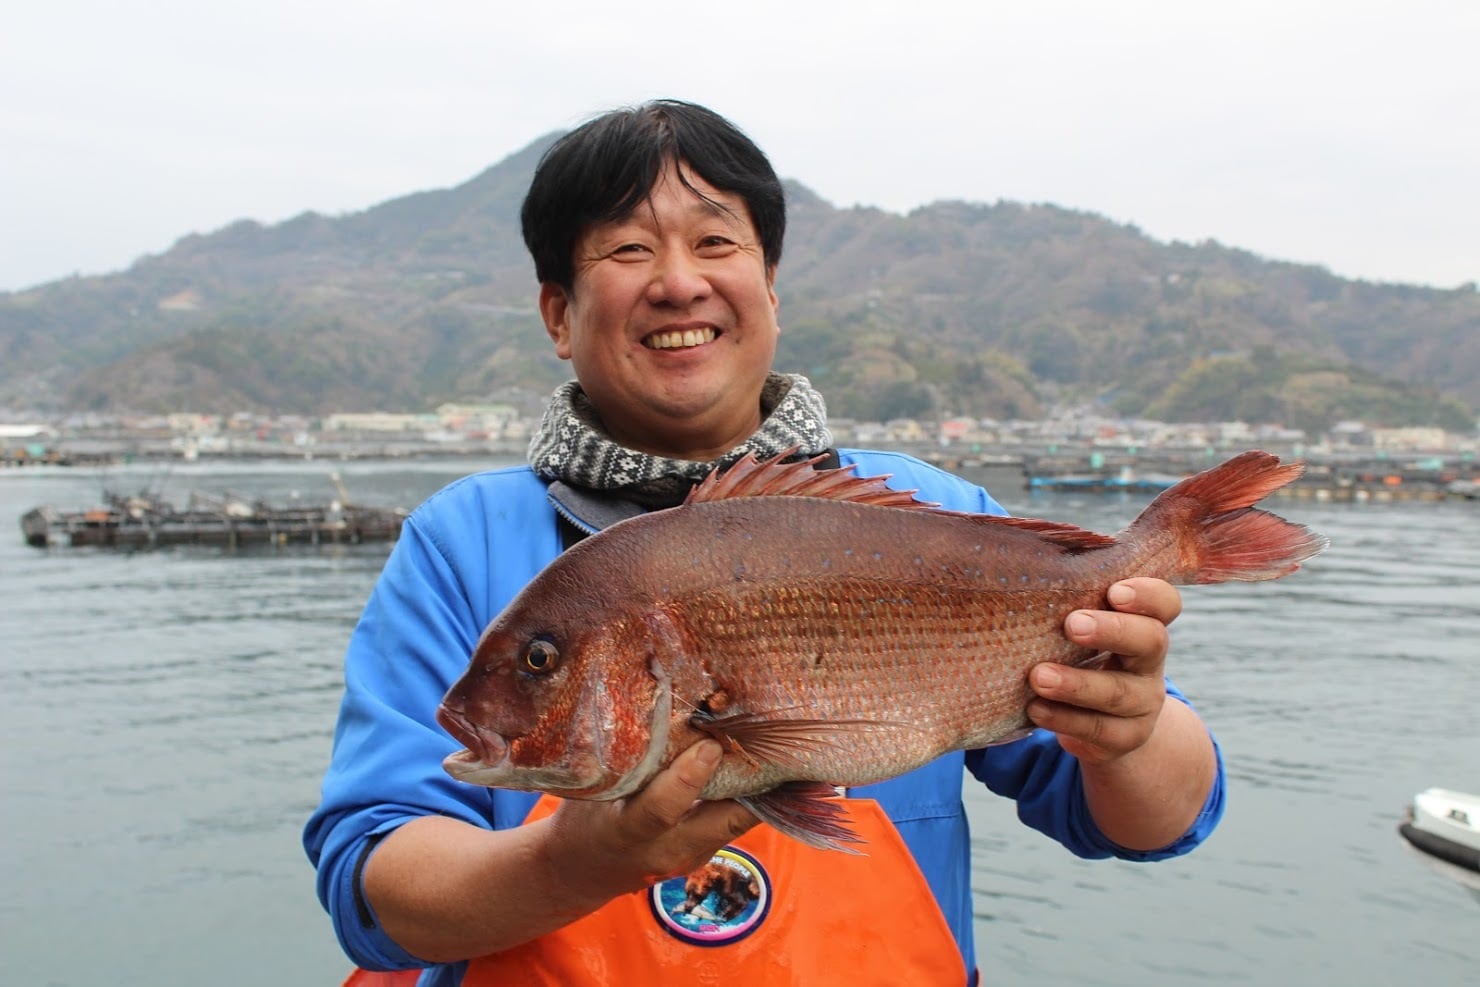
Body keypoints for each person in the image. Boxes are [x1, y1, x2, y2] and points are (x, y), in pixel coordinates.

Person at [304, 99, 1224, 986]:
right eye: (628, 248)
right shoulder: (461, 543)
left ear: (771, 287)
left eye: (716, 242)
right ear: (557, 313)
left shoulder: (930, 511)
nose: (678, 280)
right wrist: (568, 865)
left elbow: (1155, 820)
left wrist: (1134, 732)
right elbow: (373, 885)